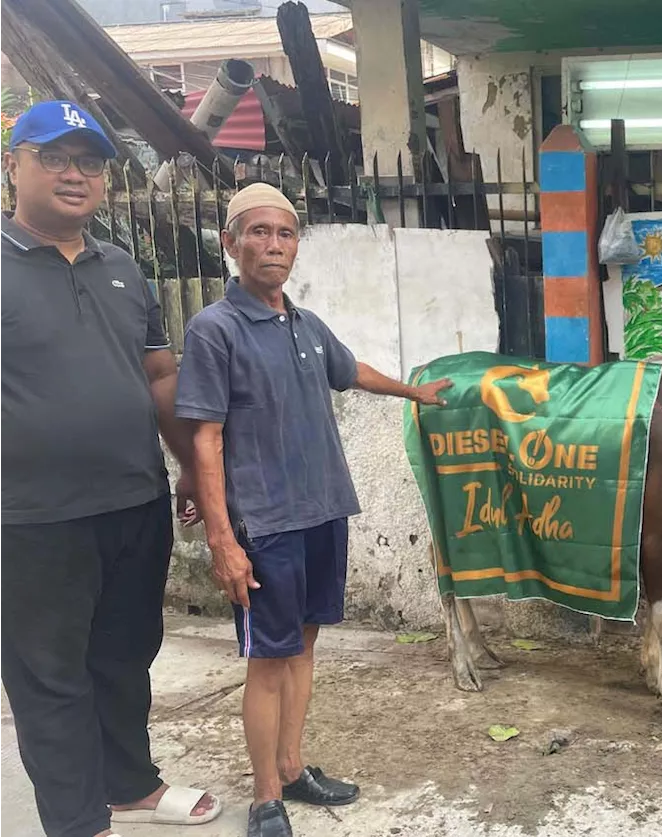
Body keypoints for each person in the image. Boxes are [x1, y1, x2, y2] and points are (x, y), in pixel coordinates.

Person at [175, 182, 452, 837]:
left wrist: (416, 390)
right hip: (264, 524)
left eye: (285, 233)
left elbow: (349, 369)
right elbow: (205, 438)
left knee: (302, 649)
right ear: (230, 242)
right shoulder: (215, 330)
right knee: (268, 660)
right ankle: (266, 795)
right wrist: (222, 538)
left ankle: (294, 767)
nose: (273, 244)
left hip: (323, 510)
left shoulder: (301, 323)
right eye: (259, 231)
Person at [0, 101, 223, 836]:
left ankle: (128, 782)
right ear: (13, 166)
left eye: (89, 162)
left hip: (134, 502)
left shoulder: (123, 267)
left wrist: (190, 462)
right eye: (54, 157)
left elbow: (160, 374)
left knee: (126, 656)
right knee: (50, 678)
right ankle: (76, 820)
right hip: (31, 518)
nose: (74, 174)